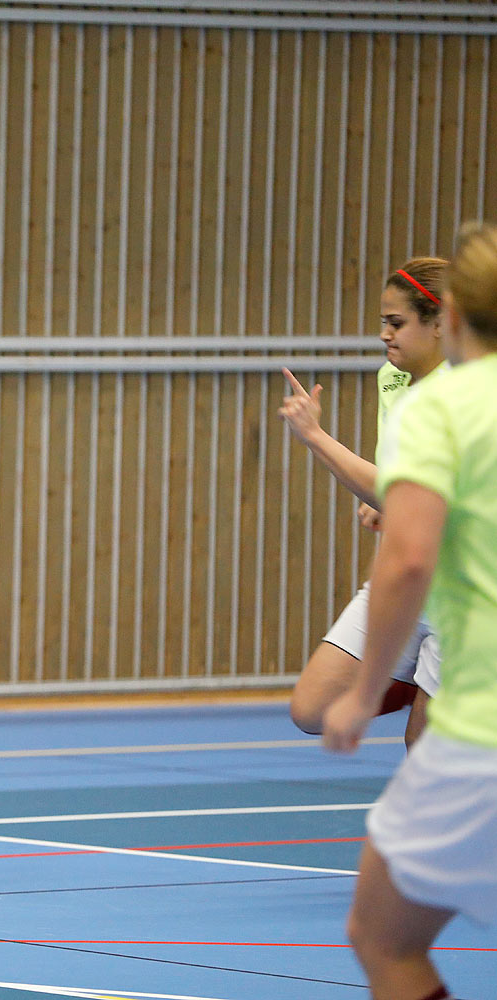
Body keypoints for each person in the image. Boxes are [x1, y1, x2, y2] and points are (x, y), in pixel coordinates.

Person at [322, 222, 497, 1000]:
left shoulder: (446, 407)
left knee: (382, 937)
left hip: (480, 713)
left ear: (451, 317)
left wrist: (363, 695)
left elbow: (411, 558)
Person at [280, 258, 448, 748]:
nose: (384, 334)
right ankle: (429, 686)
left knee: (424, 755)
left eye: (396, 323)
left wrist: (314, 436)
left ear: (439, 324)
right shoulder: (392, 382)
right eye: (383, 322)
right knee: (312, 709)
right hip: (406, 580)